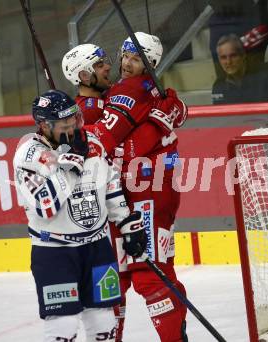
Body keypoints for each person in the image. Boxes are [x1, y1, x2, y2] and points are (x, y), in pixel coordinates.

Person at [63, 32, 188, 342]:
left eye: (139, 59)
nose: (124, 64)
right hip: (127, 198)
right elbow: (175, 111)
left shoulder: (127, 91)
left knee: (146, 276)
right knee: (121, 277)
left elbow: (104, 144)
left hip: (145, 194)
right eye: (125, 57)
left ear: (153, 65)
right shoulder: (117, 94)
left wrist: (75, 138)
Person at [13, 89, 146, 342]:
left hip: (97, 247)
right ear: (44, 126)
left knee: (104, 322)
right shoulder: (28, 156)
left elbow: (109, 183)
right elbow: (46, 206)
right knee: (63, 327)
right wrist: (69, 168)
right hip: (54, 251)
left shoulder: (90, 142)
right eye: (65, 125)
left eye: (74, 121)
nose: (73, 128)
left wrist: (126, 221)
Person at [211, 33, 268, 104]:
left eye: (233, 56)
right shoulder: (218, 86)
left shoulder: (263, 79)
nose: (228, 62)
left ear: (243, 55)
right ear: (219, 60)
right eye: (223, 57)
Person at [62, 43, 112, 125]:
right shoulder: (88, 111)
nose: (108, 67)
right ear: (84, 75)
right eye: (100, 65)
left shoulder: (97, 99)